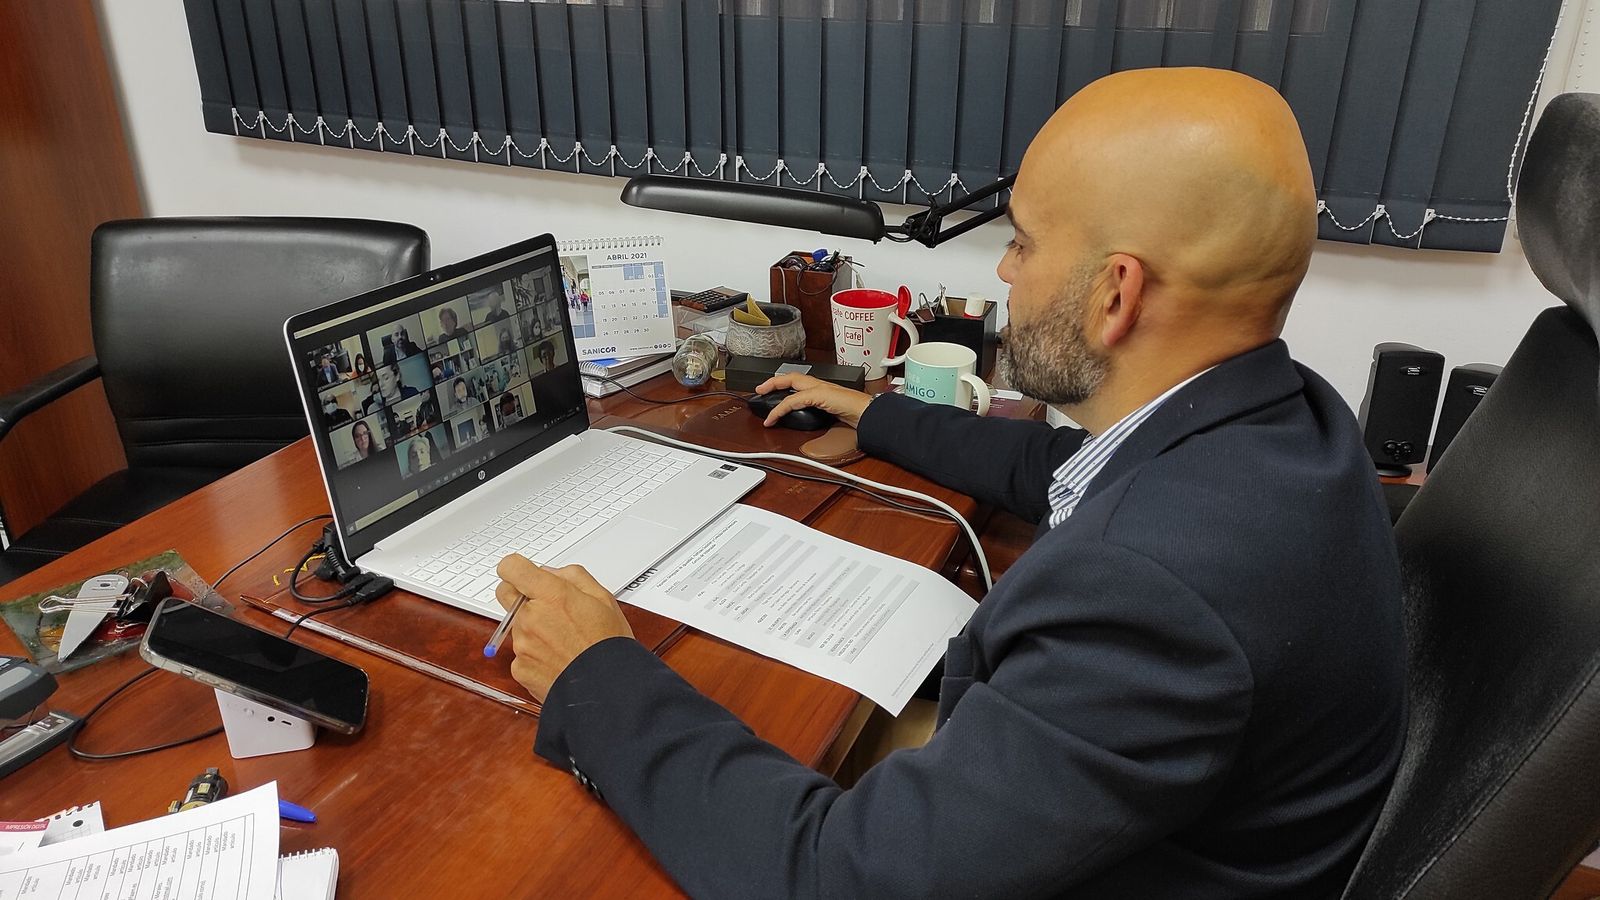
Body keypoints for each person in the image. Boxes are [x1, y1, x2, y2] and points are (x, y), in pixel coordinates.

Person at [488, 68, 1404, 898]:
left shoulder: (1158, 596)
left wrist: (597, 676)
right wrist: (881, 416)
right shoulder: (1281, 422)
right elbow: (1068, 470)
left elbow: (841, 881)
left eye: (1027, 243)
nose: (1005, 270)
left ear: (1115, 294)